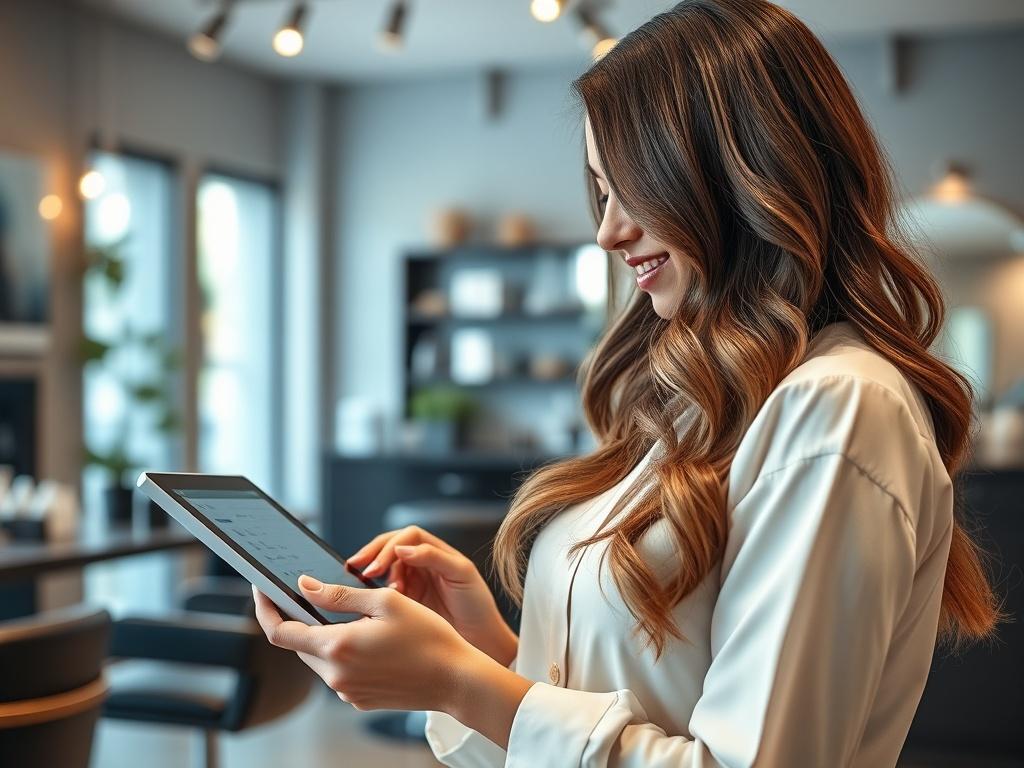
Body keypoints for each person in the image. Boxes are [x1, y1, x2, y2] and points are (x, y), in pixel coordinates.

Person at [252, 1, 1000, 764]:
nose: (608, 231)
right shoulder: (706, 405)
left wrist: (457, 682)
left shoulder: (838, 407)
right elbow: (639, 704)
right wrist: (484, 653)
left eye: (630, 188)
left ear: (737, 170)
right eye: (601, 194)